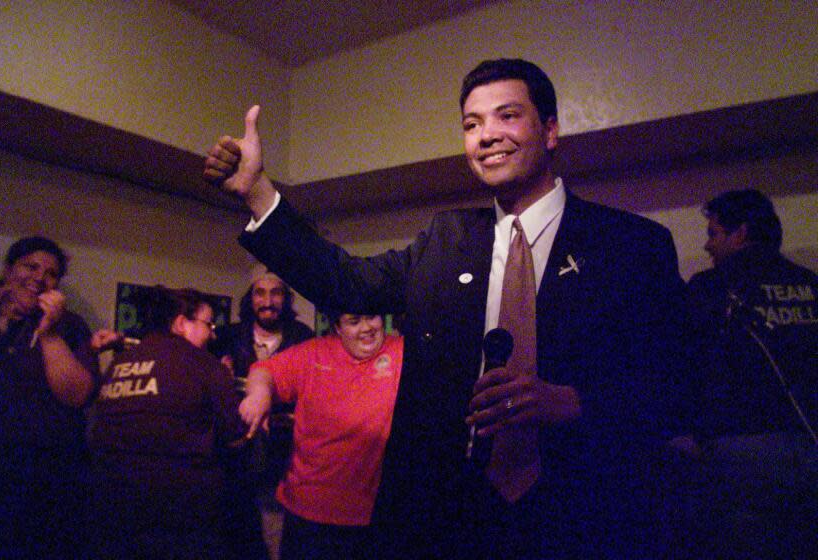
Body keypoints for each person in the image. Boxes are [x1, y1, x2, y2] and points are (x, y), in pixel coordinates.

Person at [204, 58, 688, 558]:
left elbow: (679, 387)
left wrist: (573, 402)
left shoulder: (632, 246)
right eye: (472, 124)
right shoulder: (447, 238)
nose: (487, 135)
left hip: (584, 516)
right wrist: (258, 192)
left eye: (507, 116)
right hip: (449, 520)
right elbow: (348, 283)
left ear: (549, 130)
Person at [684, 189, 817, 559]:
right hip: (809, 441)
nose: (708, 246)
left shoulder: (710, 288)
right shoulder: (810, 285)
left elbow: (688, 365)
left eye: (714, 233)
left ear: (740, 234)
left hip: (739, 449)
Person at [86, 286, 248, 559]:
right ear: (182, 323)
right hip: (180, 515)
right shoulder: (206, 365)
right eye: (209, 324)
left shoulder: (120, 361)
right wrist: (226, 386)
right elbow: (234, 435)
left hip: (113, 506)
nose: (213, 333)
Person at [239, 313, 402, 560]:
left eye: (372, 318)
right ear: (337, 327)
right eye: (354, 321)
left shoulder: (400, 351)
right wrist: (260, 393)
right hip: (307, 510)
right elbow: (265, 371)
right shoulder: (314, 353)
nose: (366, 328)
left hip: (373, 513)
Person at [0, 236, 99, 559]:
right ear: (8, 270)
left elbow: (77, 396)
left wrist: (49, 334)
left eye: (50, 273)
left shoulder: (71, 326)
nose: (39, 277)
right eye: (31, 266)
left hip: (55, 473)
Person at [211, 272, 315, 559]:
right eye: (260, 293)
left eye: (275, 293)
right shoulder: (228, 336)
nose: (267, 301)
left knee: (275, 536)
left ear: (285, 299)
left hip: (284, 453)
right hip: (234, 453)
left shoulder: (302, 336)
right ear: (250, 299)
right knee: (234, 534)